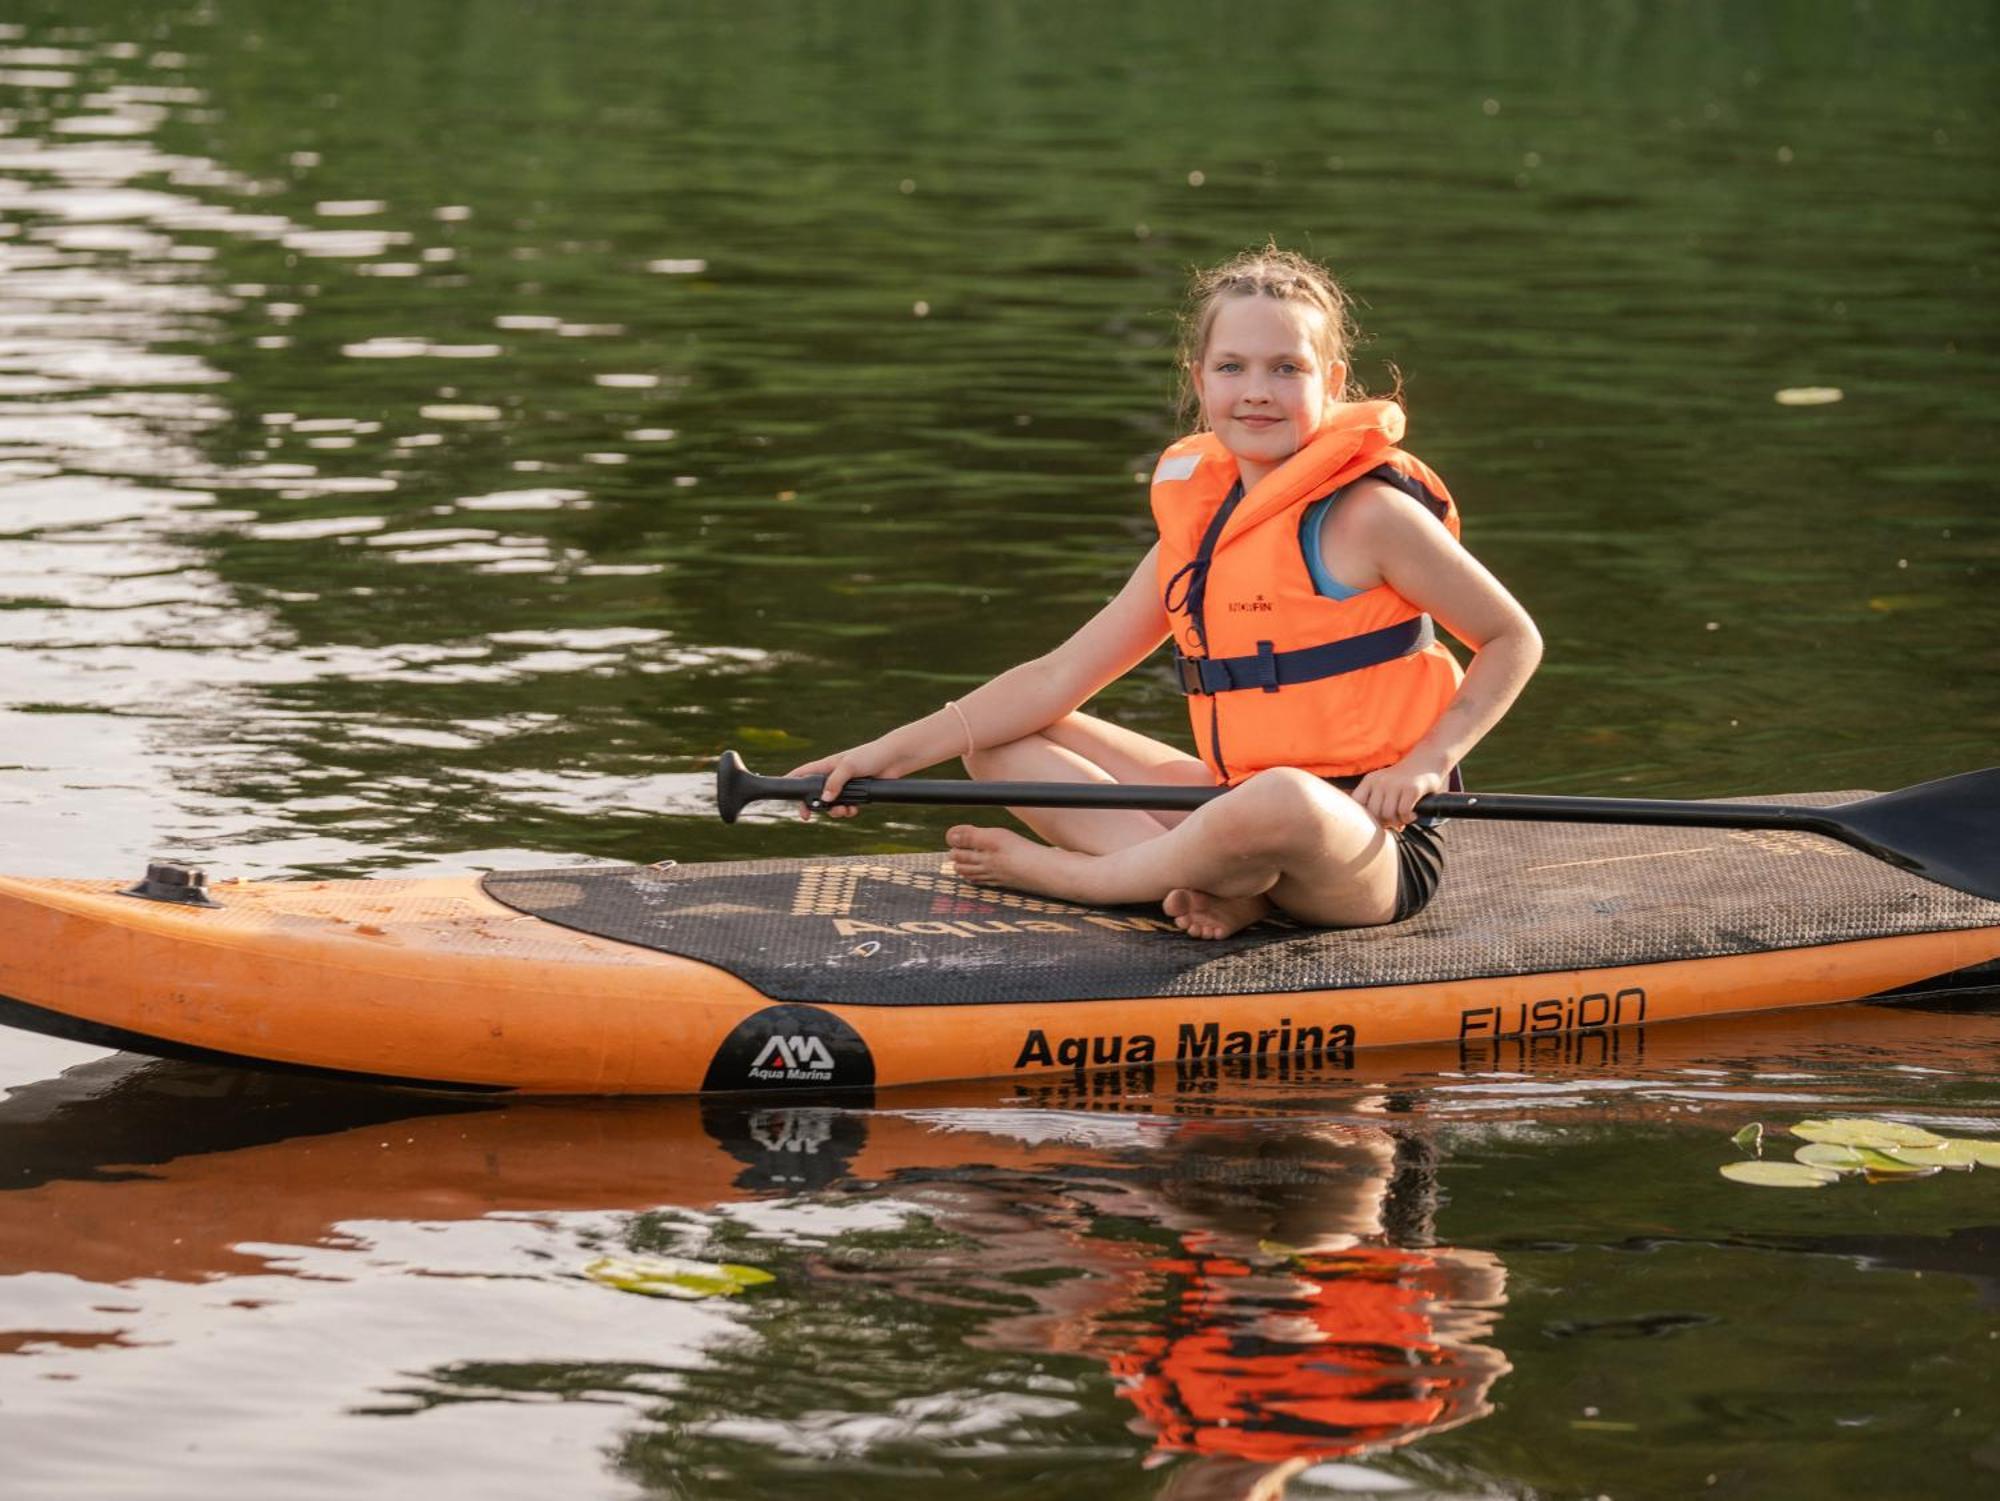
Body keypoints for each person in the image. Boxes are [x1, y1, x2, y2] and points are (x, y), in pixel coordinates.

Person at [788, 246, 1541, 940]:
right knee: (997, 741)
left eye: (1287, 369)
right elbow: (1056, 677)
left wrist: (1428, 761)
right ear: (1199, 379)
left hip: (1367, 843)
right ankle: (1213, 886)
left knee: (1283, 798)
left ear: (1333, 383)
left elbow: (1513, 639)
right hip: (1231, 804)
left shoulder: (1373, 516)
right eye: (1232, 368)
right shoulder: (1201, 531)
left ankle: (1097, 880)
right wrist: (880, 756)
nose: (1257, 392)